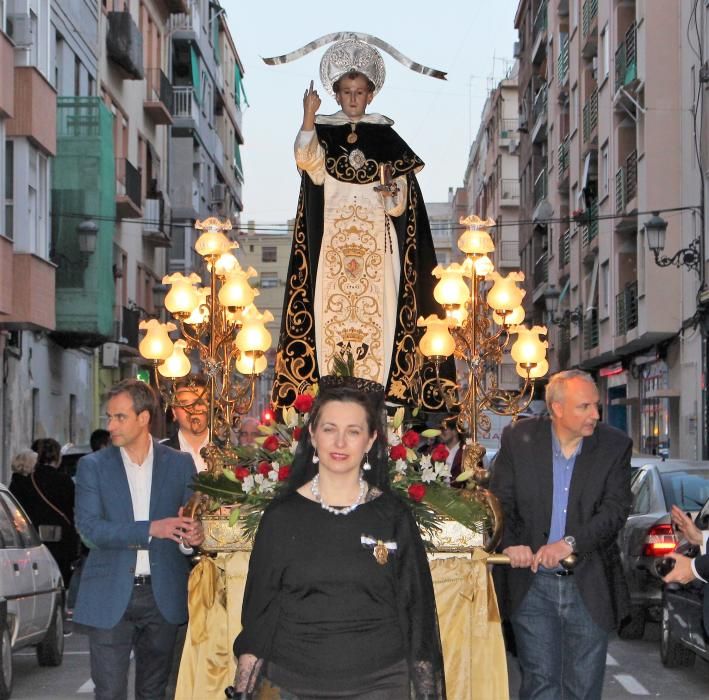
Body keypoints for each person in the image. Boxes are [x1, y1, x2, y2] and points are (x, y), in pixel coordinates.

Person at [232, 375, 446, 697]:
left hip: (381, 682)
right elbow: (259, 616)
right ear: (314, 436)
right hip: (294, 683)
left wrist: (429, 692)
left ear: (371, 441)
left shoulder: (393, 517)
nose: (340, 443)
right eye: (330, 429)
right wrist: (242, 690)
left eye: (353, 432)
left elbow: (418, 614)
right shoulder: (281, 518)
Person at [271, 35, 453, 412]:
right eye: (346, 92)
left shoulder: (387, 140)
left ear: (370, 95)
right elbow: (310, 165)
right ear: (336, 95)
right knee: (328, 316)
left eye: (359, 92)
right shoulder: (324, 133)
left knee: (381, 319)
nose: (353, 98)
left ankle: (380, 400)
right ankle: (331, 398)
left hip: (376, 253)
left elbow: (401, 202)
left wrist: (389, 192)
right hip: (333, 250)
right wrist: (308, 116)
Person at [490, 369, 632, 699]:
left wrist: (569, 543)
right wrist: (512, 545)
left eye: (596, 406)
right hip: (533, 584)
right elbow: (500, 502)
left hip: (588, 583)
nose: (595, 414)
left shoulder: (614, 446)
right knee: (540, 684)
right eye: (584, 407)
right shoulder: (518, 440)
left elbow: (614, 512)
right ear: (557, 408)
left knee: (582, 689)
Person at [73, 379, 205, 700]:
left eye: (119, 417)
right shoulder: (93, 466)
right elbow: (90, 530)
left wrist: (193, 536)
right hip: (110, 593)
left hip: (163, 596)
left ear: (143, 418)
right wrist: (150, 529)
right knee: (110, 691)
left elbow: (188, 526)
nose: (111, 425)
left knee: (154, 691)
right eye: (108, 417)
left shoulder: (179, 464)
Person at [10, 437, 79, 588]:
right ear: (57, 458)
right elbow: (76, 509)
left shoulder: (25, 480)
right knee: (59, 583)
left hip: (32, 542)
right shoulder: (64, 480)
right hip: (62, 543)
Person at [163, 376, 210, 472]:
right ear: (174, 412)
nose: (192, 409)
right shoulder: (161, 452)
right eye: (184, 404)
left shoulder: (228, 451)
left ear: (210, 408)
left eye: (199, 402)